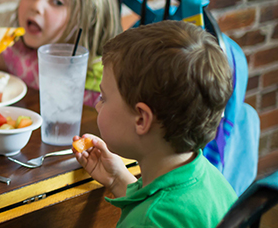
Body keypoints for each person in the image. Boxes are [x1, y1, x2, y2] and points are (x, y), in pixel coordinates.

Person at [74, 20, 237, 227]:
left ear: (142, 119)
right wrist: (117, 179)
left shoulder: (148, 221)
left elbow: (154, 214)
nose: (97, 105)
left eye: (104, 98)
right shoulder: (209, 178)